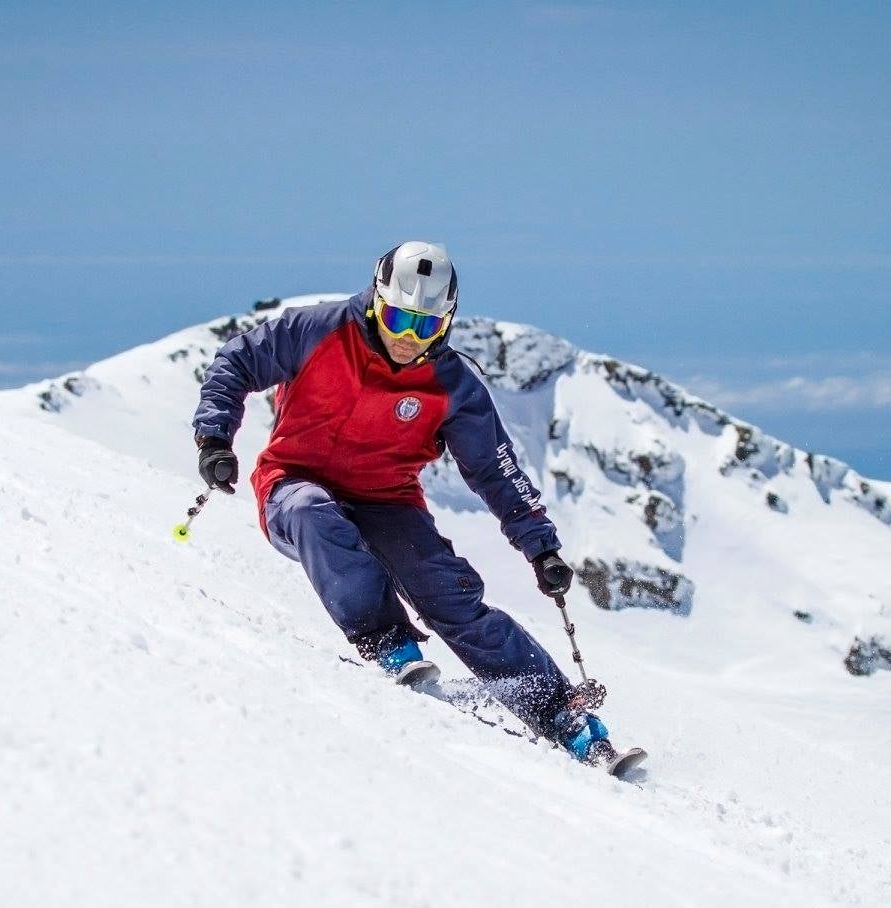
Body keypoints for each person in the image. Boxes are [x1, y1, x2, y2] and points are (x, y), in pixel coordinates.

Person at [191, 241, 618, 763]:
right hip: (292, 481)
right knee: (312, 512)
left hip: (387, 501)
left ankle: (564, 717)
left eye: (426, 326)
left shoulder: (452, 384)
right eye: (397, 318)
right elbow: (237, 360)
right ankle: (388, 643)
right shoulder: (318, 330)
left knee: (449, 594)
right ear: (376, 300)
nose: (407, 338)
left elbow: (495, 469)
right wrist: (215, 439)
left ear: (447, 323)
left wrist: (540, 548)